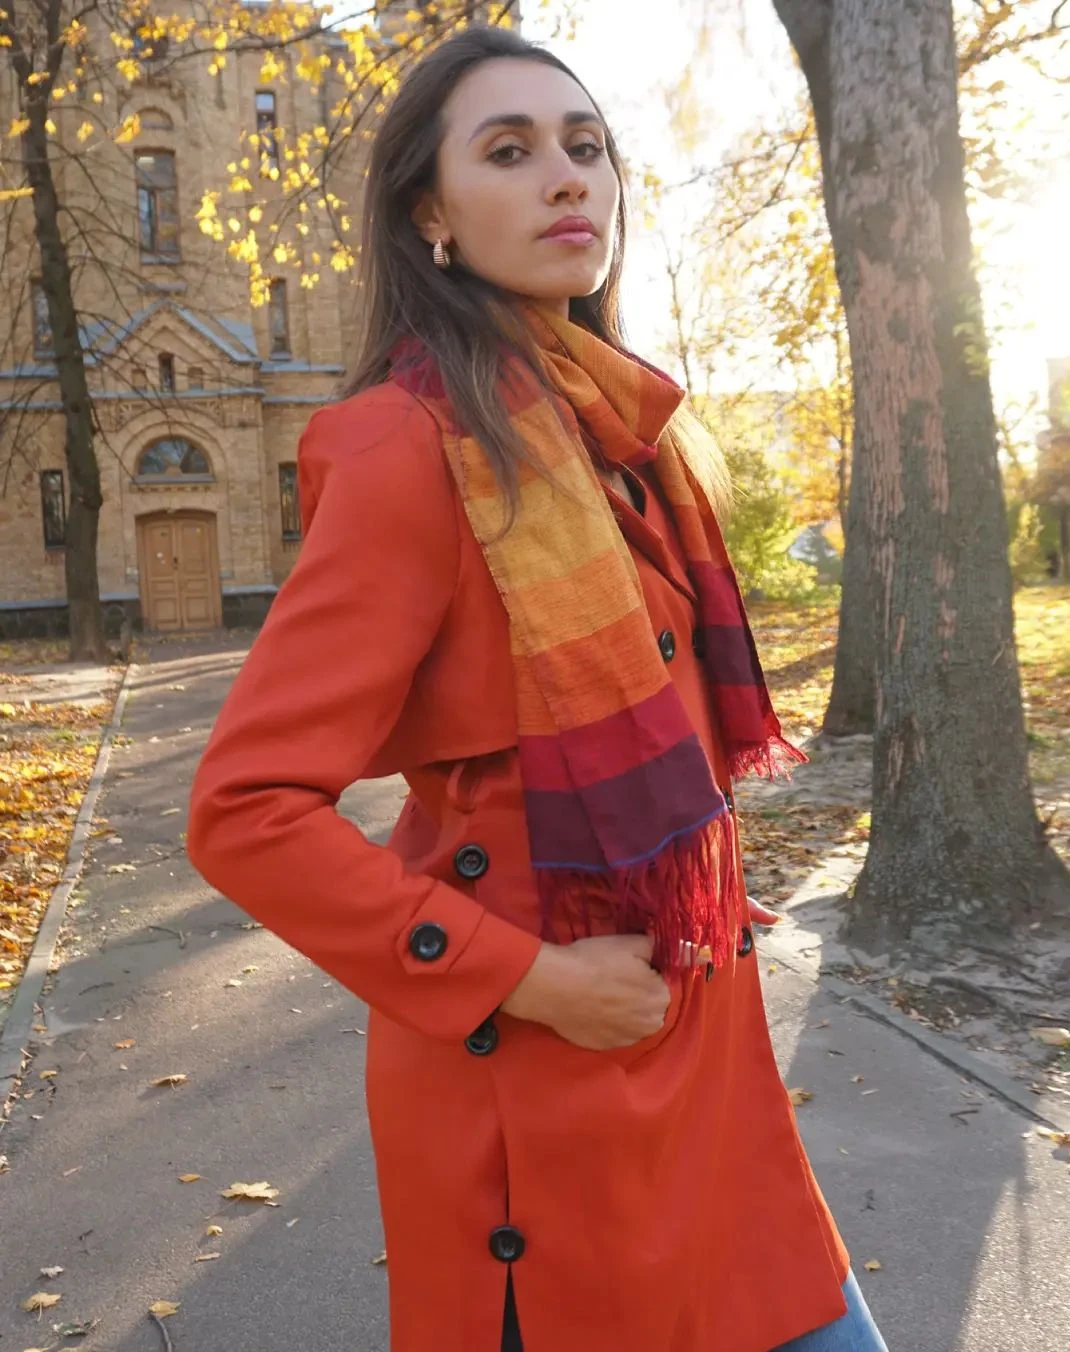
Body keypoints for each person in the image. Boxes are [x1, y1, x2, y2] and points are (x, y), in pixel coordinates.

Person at [187, 25, 890, 1352]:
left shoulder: (631, 436)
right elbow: (244, 813)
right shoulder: (404, 449)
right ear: (432, 216)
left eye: (587, 147)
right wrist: (532, 981)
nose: (569, 177)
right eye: (508, 152)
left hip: (707, 1070)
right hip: (548, 1099)